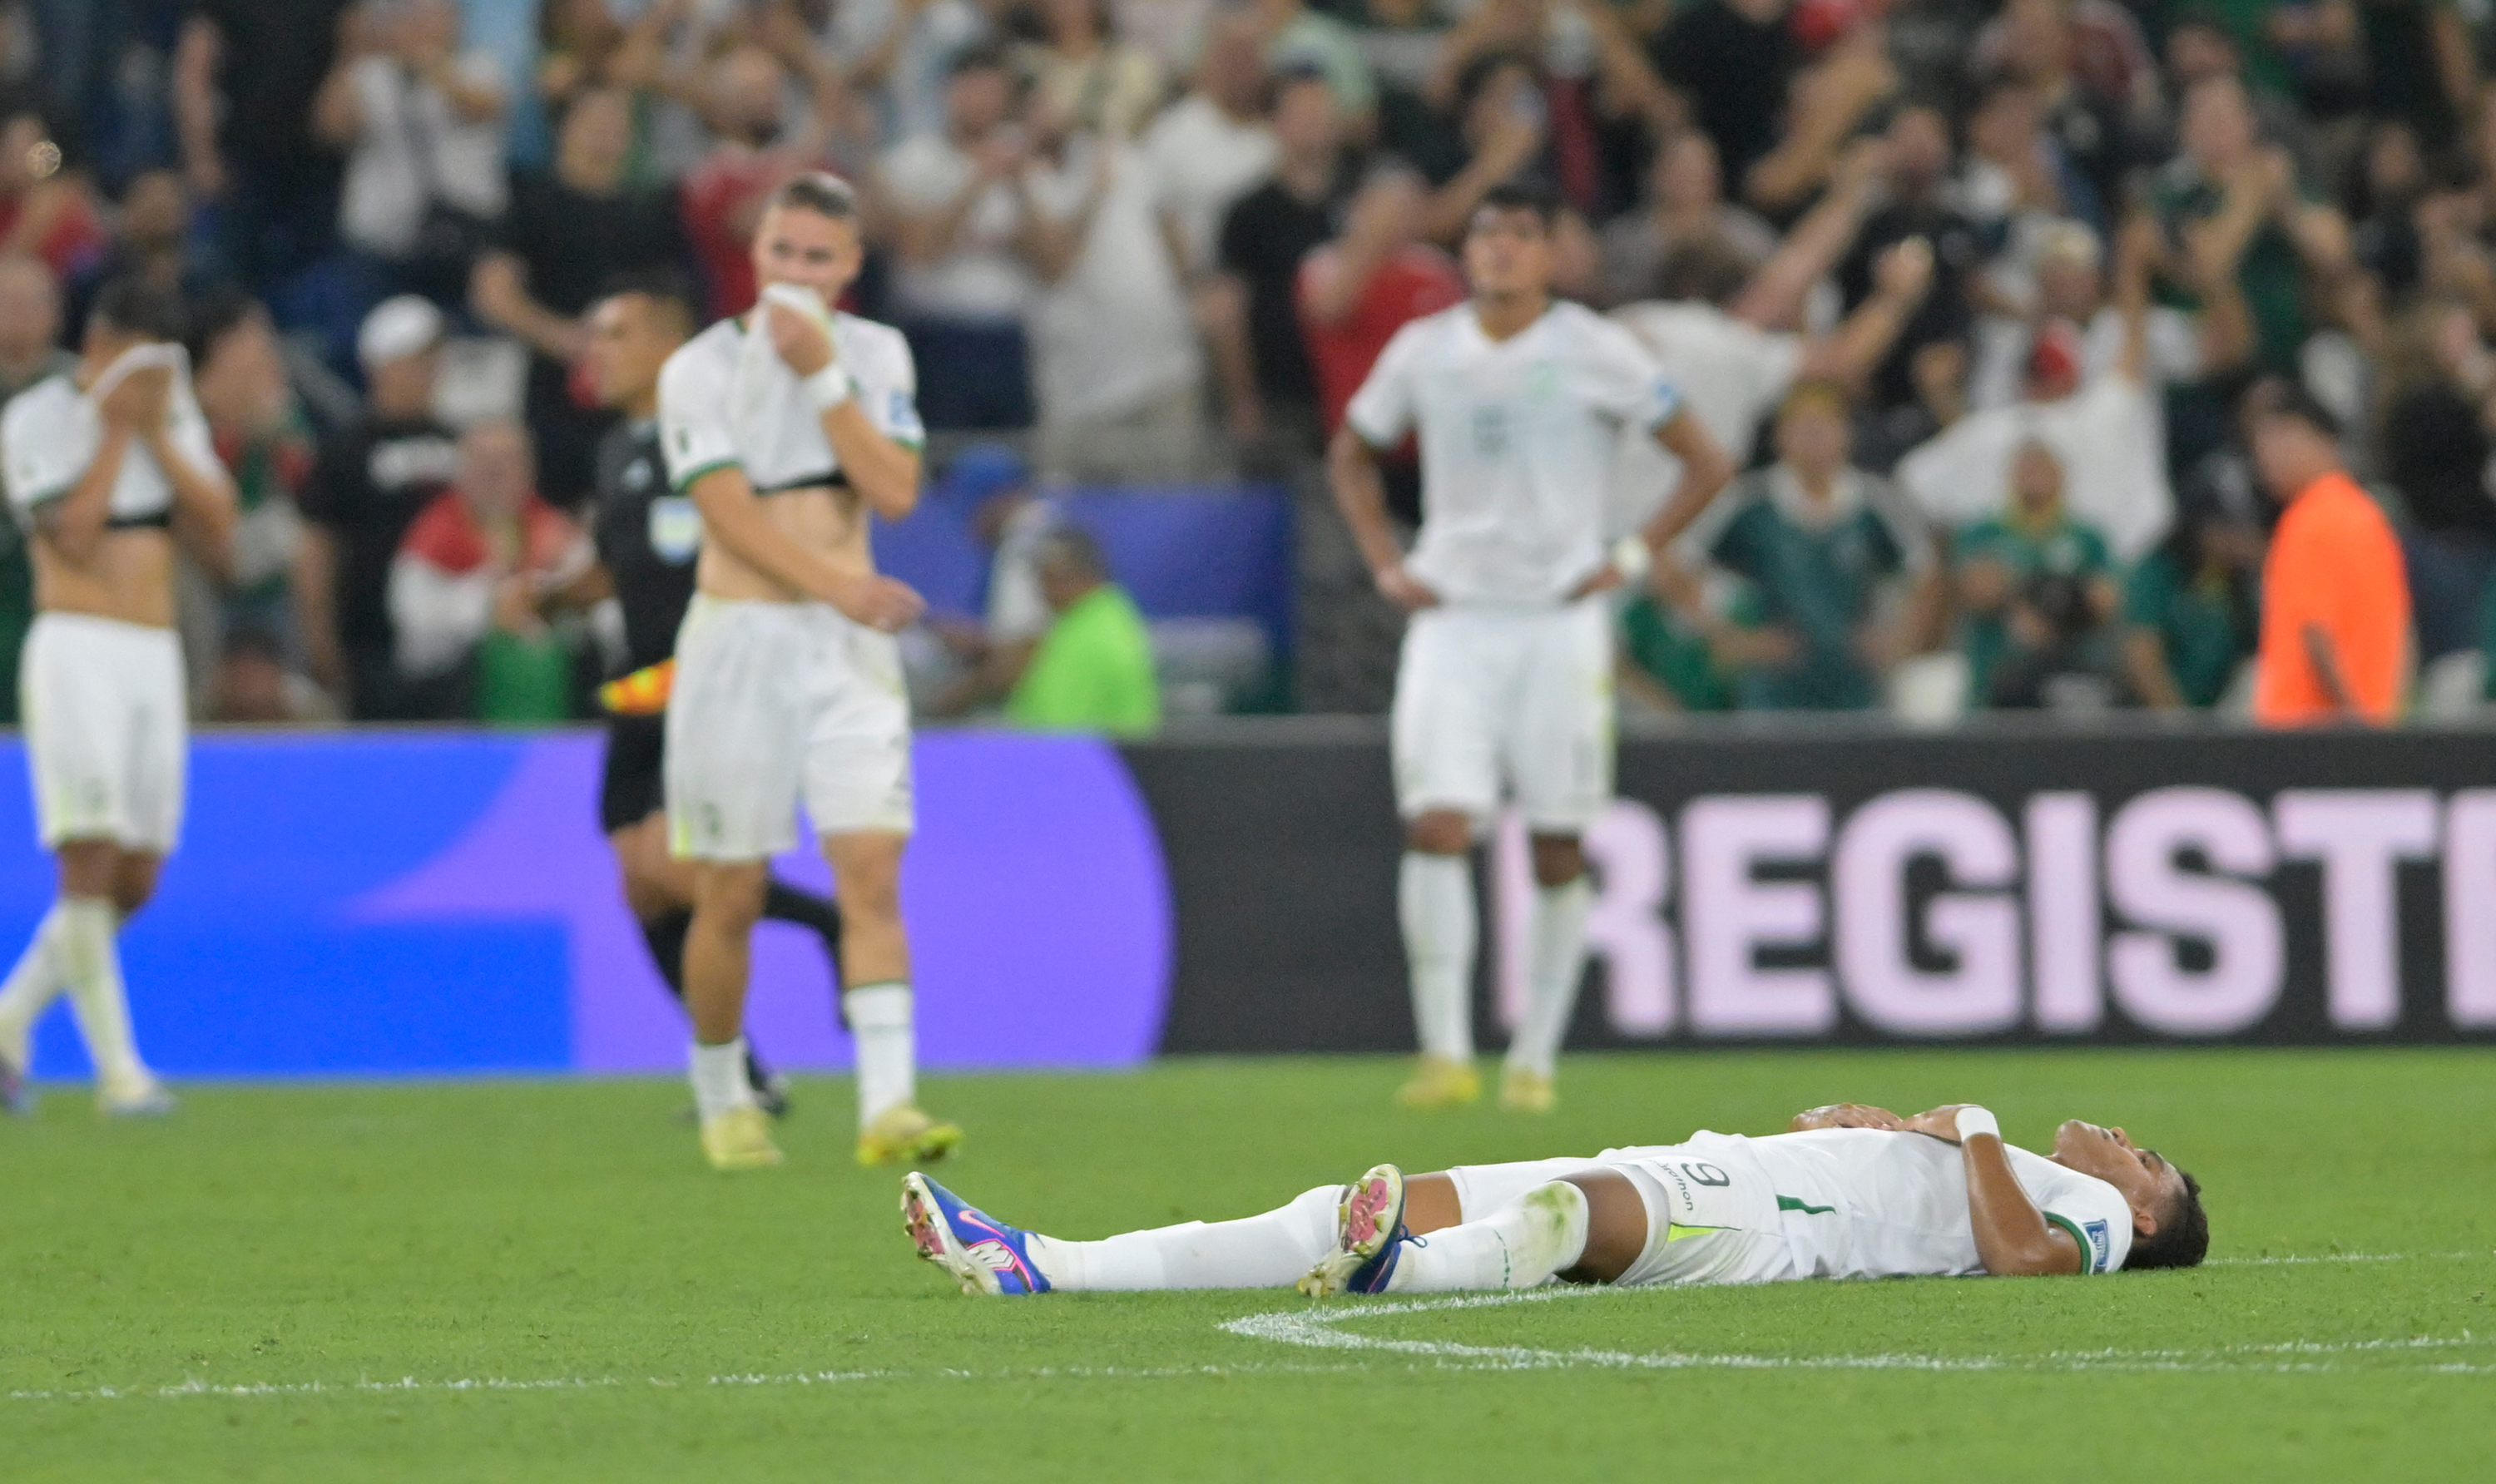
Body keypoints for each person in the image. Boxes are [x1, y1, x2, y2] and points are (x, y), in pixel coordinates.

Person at [1328, 183, 1733, 1115]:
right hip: (1455, 617)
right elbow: (1350, 451)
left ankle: (1536, 1057)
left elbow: (1706, 459)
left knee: (1555, 839)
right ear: (1467, 251)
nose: (1502, 250)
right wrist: (1387, 560)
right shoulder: (1425, 350)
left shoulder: (1593, 349)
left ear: (1553, 253)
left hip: (1557, 622)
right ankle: (1445, 1052)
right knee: (1436, 821)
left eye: (1522, 233)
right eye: (1487, 234)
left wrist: (1630, 555)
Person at [654, 172, 955, 1172]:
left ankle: (890, 1105)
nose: (796, 273)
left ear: (851, 267)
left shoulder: (875, 356)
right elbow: (725, 510)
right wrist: (837, 583)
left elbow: (896, 489)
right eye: (783, 252)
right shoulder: (698, 368)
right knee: (730, 888)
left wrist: (825, 376)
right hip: (741, 641)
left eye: (818, 258)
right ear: (756, 252)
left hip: (844, 653)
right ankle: (720, 1092)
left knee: (870, 867)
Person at [899, 1098, 2207, 1296]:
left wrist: (1966, 1126)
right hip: (1744, 1163)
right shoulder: (2011, 1168)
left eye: (2147, 1161)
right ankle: (1050, 1263)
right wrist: (1872, 1122)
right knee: (1352, 1195)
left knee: (1576, 1220)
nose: (2126, 1145)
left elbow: (2021, 1264)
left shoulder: (2080, 1219)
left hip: (1771, 1222)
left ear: (2139, 1216)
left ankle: (1400, 1274)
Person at [563, 276, 848, 1118]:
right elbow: (623, 565)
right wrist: (552, 594)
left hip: (705, 679)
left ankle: (820, 932)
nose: (597, 352)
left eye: (615, 333)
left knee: (674, 868)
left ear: (664, 346)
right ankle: (748, 1068)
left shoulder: (721, 439)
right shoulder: (617, 449)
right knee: (642, 887)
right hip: (635, 682)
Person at [0, 277, 237, 1116]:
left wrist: (160, 432)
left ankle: (8, 1021)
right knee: (88, 852)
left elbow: (222, 525)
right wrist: (111, 430)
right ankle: (119, 1073)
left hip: (153, 655)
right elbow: (71, 534)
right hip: (77, 648)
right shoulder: (37, 418)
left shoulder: (168, 417)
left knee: (136, 875)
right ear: (97, 342)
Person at [1666, 382, 1943, 712]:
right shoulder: (1751, 504)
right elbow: (1674, 568)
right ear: (1781, 436)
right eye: (1803, 428)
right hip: (1773, 693)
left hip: (1857, 690)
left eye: (1824, 427)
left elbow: (1928, 573)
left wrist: (1901, 640)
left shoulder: (1874, 502)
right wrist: (1732, 639)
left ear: (1846, 433)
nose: (1814, 440)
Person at [296, 295, 461, 718]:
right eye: (416, 359)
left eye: (433, 358)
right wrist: (320, 640)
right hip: (369, 641)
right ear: (380, 365)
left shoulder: (461, 443)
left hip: (453, 642)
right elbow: (317, 548)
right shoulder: (345, 451)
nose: (430, 371)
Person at [384, 418, 587, 722]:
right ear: (460, 470)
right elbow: (413, 622)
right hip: (454, 706)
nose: (494, 473)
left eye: (507, 461)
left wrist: (545, 602)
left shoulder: (556, 532)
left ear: (529, 470)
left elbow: (596, 607)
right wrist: (489, 608)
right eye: (483, 461)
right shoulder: (433, 535)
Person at [2246, 380, 2410, 728]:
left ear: (2322, 438)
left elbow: (2315, 633)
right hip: (2369, 720)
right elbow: (2402, 630)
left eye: (2281, 439)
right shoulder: (2370, 515)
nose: (2267, 456)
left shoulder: (2308, 520)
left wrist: (2354, 725)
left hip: (2307, 733)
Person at [1954, 439, 2123, 709]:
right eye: (2025, 469)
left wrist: (2046, 608)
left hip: (2069, 677)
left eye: (2043, 468)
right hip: (1995, 676)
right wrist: (2053, 594)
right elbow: (1979, 590)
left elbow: (2105, 600)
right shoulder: (1983, 532)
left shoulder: (2087, 536)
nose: (2034, 477)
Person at [1003, 524, 1159, 737]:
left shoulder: (1089, 639)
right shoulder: (1103, 617)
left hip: (1089, 766)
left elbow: (1051, 737)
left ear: (1066, 576)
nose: (1037, 587)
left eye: (1042, 575)